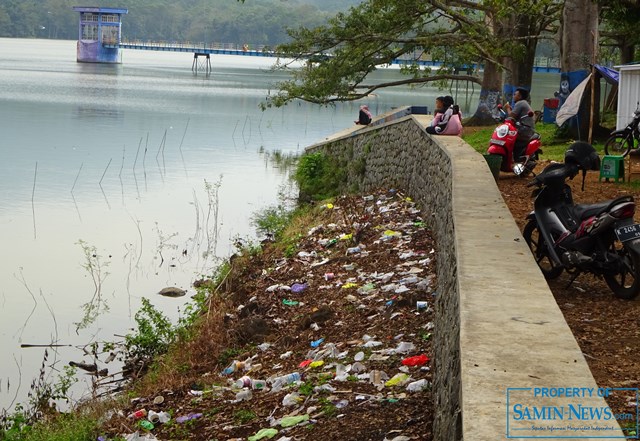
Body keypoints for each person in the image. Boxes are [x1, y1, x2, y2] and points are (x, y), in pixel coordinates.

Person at [503, 87, 534, 161]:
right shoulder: (524, 103)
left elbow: (511, 117)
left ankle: (510, 159)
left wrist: (507, 108)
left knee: (507, 137)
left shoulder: (520, 103)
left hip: (524, 130)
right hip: (525, 129)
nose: (513, 96)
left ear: (519, 96)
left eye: (515, 94)